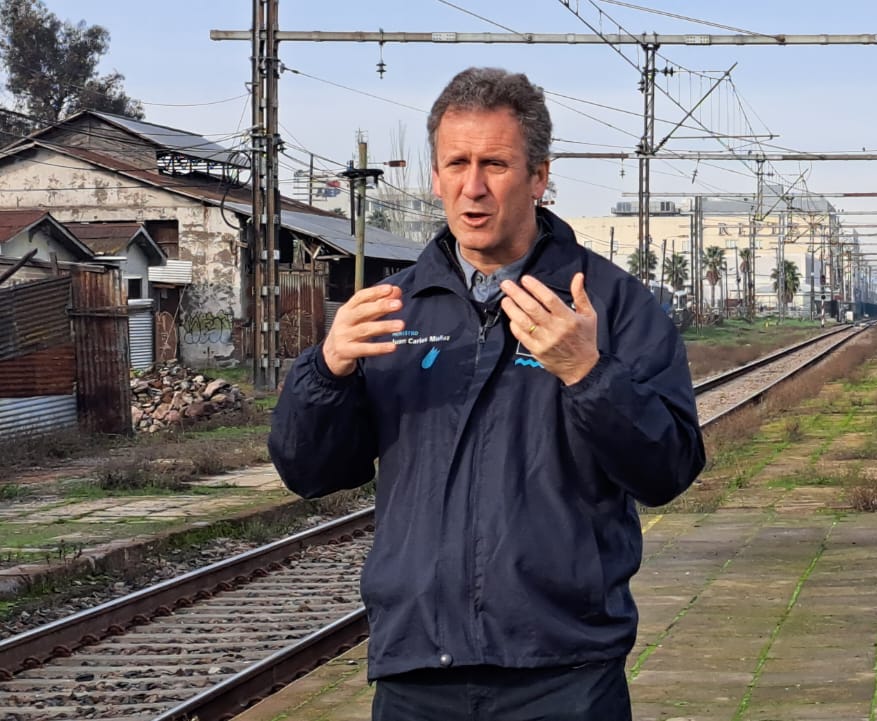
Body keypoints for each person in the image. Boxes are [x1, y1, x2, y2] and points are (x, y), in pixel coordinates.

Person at [268, 67, 705, 720]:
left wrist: (588, 373)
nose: (472, 187)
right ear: (435, 176)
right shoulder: (393, 309)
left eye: (495, 164)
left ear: (539, 176)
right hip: (417, 671)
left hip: (562, 671)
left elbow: (667, 468)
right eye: (457, 164)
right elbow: (310, 472)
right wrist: (326, 372)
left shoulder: (611, 305)